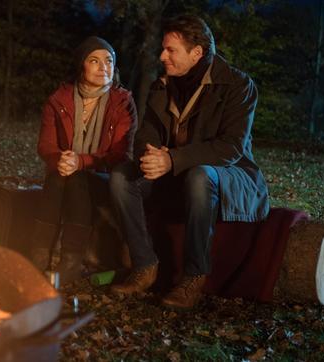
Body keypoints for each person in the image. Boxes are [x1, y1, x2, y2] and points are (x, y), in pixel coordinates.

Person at [109, 15, 269, 308]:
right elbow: (146, 133)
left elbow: (231, 148)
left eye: (171, 50)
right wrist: (153, 156)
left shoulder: (237, 85)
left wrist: (172, 159)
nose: (162, 56)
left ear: (196, 53)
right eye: (163, 49)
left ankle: (194, 276)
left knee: (200, 175)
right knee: (121, 176)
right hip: (175, 172)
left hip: (230, 176)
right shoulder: (163, 86)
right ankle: (144, 265)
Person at [29, 36, 137, 286]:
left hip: (105, 175)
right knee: (57, 178)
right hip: (66, 171)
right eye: (95, 61)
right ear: (81, 66)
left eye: (109, 61)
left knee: (76, 178)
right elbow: (46, 145)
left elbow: (121, 153)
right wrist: (61, 159)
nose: (104, 67)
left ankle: (70, 262)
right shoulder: (59, 99)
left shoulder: (122, 102)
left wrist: (82, 161)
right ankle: (38, 257)